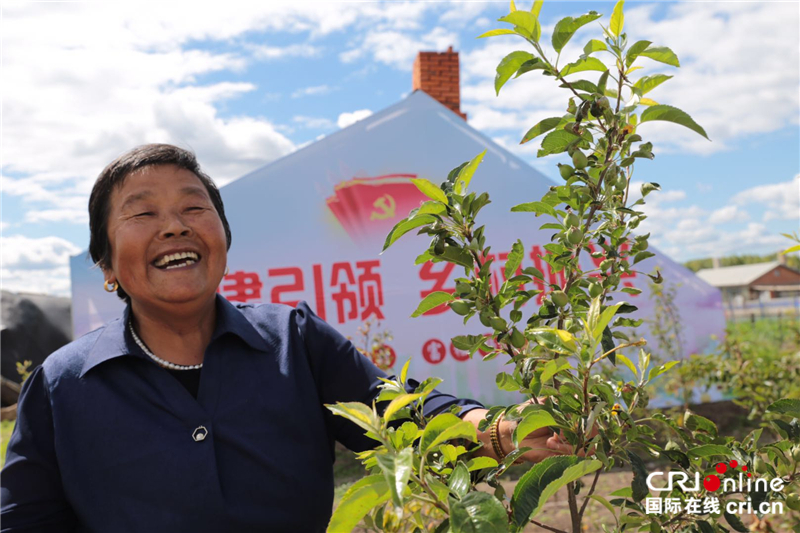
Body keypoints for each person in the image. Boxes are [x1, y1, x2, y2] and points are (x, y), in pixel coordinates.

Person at [1, 144, 574, 532]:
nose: (174, 224)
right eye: (142, 213)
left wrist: (502, 431)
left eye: (194, 207)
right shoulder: (62, 385)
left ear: (221, 237)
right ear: (105, 264)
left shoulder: (293, 341)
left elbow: (400, 411)